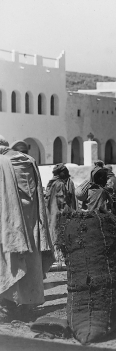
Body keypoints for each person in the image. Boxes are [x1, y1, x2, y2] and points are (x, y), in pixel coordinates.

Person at [0, 137, 55, 321]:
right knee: (31, 260)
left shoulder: (1, 162)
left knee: (9, 260)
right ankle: (26, 307)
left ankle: (7, 308)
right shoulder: (28, 161)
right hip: (31, 221)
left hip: (9, 221)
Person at [45, 164, 77, 267]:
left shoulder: (51, 183)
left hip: (51, 213)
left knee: (53, 233)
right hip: (59, 214)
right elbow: (62, 201)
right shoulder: (60, 184)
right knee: (60, 235)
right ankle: (59, 259)